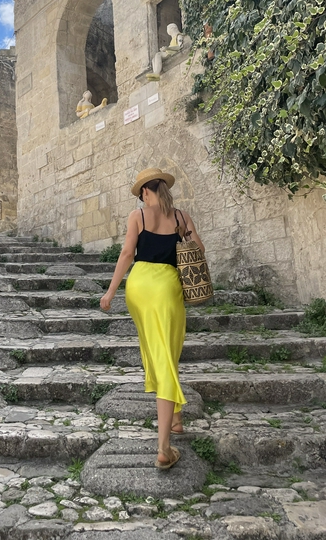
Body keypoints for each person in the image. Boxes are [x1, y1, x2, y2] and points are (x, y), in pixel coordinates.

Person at [99, 167, 205, 471]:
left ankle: (176, 418)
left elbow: (126, 255)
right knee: (166, 356)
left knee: (154, 352)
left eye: (141, 194)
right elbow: (199, 250)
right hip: (166, 287)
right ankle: (163, 448)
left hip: (139, 287)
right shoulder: (182, 217)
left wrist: (110, 293)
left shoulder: (138, 217)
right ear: (162, 188)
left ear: (146, 191)